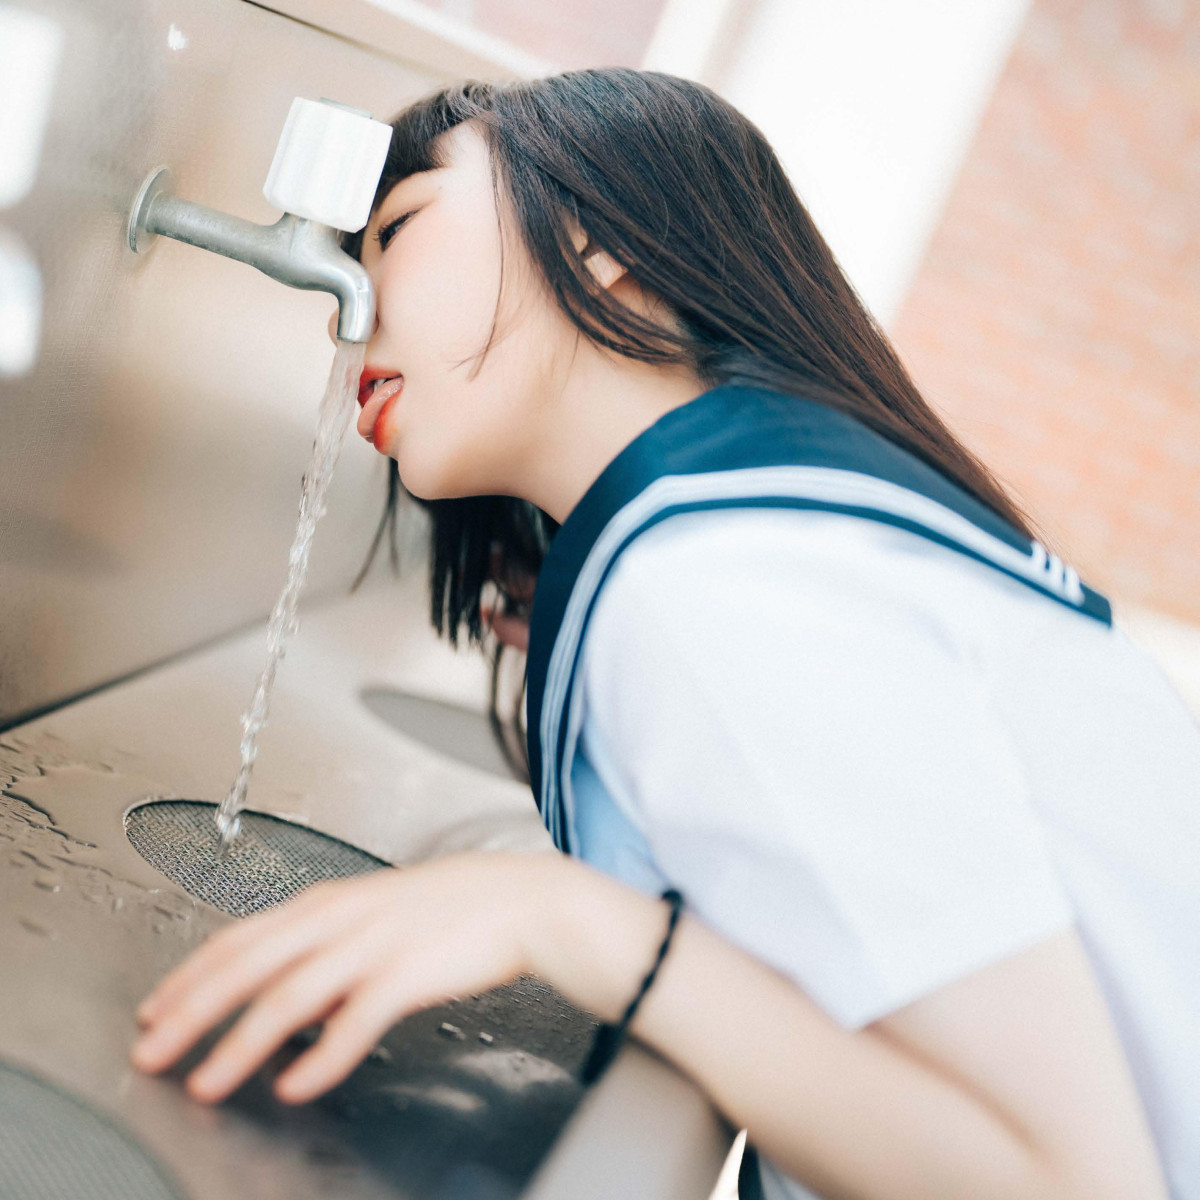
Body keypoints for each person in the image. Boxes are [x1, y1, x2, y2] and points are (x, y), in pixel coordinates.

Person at [129, 70, 1198, 1200]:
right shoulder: (760, 547)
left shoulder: (725, 594)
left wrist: (583, 929)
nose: (352, 284)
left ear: (604, 242)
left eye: (399, 227)